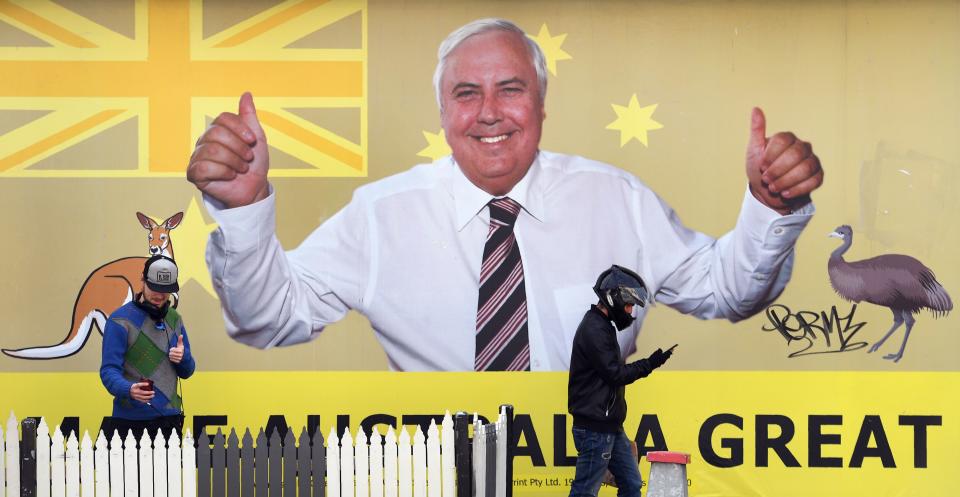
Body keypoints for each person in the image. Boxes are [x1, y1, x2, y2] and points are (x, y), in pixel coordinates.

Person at [186, 18, 823, 371]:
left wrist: (771, 209)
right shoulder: (381, 218)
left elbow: (730, 292)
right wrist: (244, 211)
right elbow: (266, 318)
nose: (489, 113)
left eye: (510, 89)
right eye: (467, 94)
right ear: (443, 112)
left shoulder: (618, 200)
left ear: (542, 105)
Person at [567, 265, 673, 497]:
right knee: (585, 491)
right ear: (613, 299)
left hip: (610, 427)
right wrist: (650, 363)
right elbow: (615, 374)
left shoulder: (602, 327)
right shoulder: (594, 329)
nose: (630, 310)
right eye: (629, 305)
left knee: (632, 484)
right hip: (596, 429)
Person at [99, 255, 195, 442]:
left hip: (170, 421)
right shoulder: (119, 320)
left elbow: (188, 370)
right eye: (155, 288)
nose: (159, 295)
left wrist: (183, 358)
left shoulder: (175, 319)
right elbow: (108, 371)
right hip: (129, 423)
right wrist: (129, 389)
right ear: (142, 280)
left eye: (166, 290)